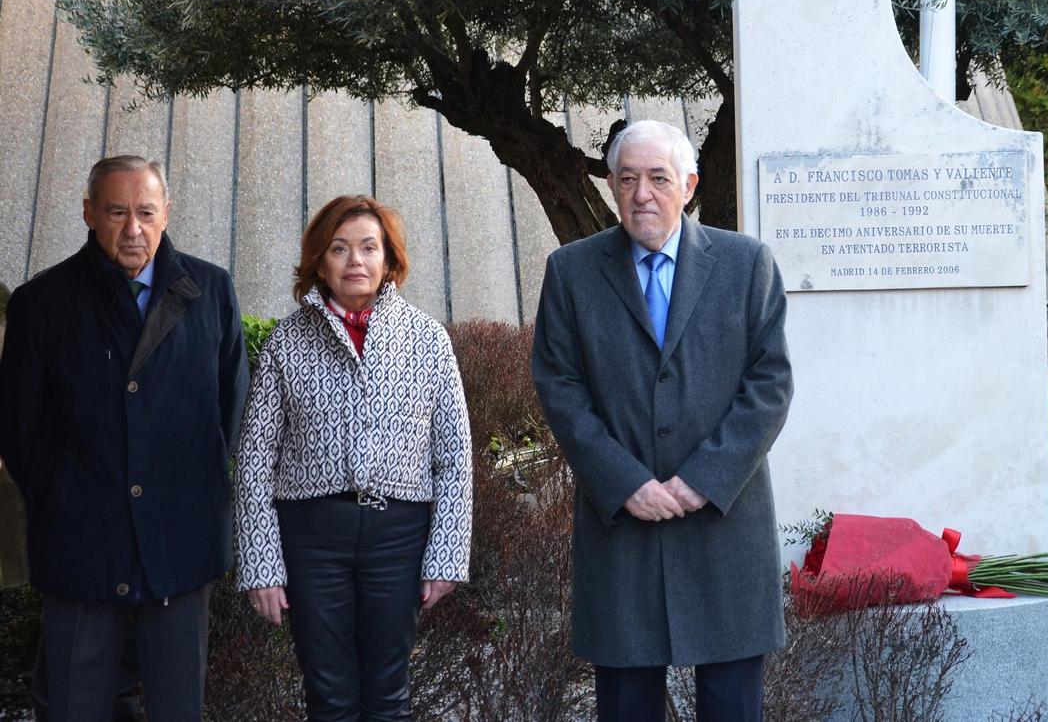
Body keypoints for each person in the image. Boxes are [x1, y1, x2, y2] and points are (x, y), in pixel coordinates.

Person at [532, 120, 794, 722]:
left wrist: (701, 479)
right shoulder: (572, 272)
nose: (641, 194)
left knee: (731, 706)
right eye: (627, 179)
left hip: (724, 527)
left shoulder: (746, 264)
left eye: (658, 178)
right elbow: (560, 387)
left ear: (690, 185)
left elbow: (770, 384)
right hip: (622, 528)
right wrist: (626, 484)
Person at [0, 155, 250, 720]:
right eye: (116, 212)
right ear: (89, 213)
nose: (132, 229)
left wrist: (188, 487)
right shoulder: (42, 303)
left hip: (180, 539)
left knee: (176, 707)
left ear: (166, 215)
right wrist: (67, 498)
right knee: (70, 704)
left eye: (145, 212)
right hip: (79, 541)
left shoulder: (210, 290)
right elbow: (20, 430)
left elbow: (231, 408)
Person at [233, 195, 472, 720]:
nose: (355, 261)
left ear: (389, 259)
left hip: (399, 537)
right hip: (312, 538)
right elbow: (254, 462)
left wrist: (448, 554)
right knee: (329, 693)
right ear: (320, 260)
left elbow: (454, 455)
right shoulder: (286, 343)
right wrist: (261, 566)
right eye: (340, 249)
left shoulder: (427, 339)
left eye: (369, 247)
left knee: (389, 692)